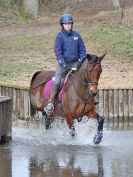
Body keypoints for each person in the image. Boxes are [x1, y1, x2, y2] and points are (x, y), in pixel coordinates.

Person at [44, 13, 87, 114]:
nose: (68, 25)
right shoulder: (60, 36)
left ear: (72, 24)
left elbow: (83, 50)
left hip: (76, 63)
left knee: (85, 79)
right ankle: (50, 103)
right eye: (65, 24)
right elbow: (58, 52)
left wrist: (80, 61)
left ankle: (89, 100)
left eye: (69, 23)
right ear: (62, 25)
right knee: (58, 81)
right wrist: (63, 64)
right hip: (63, 64)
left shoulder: (77, 35)